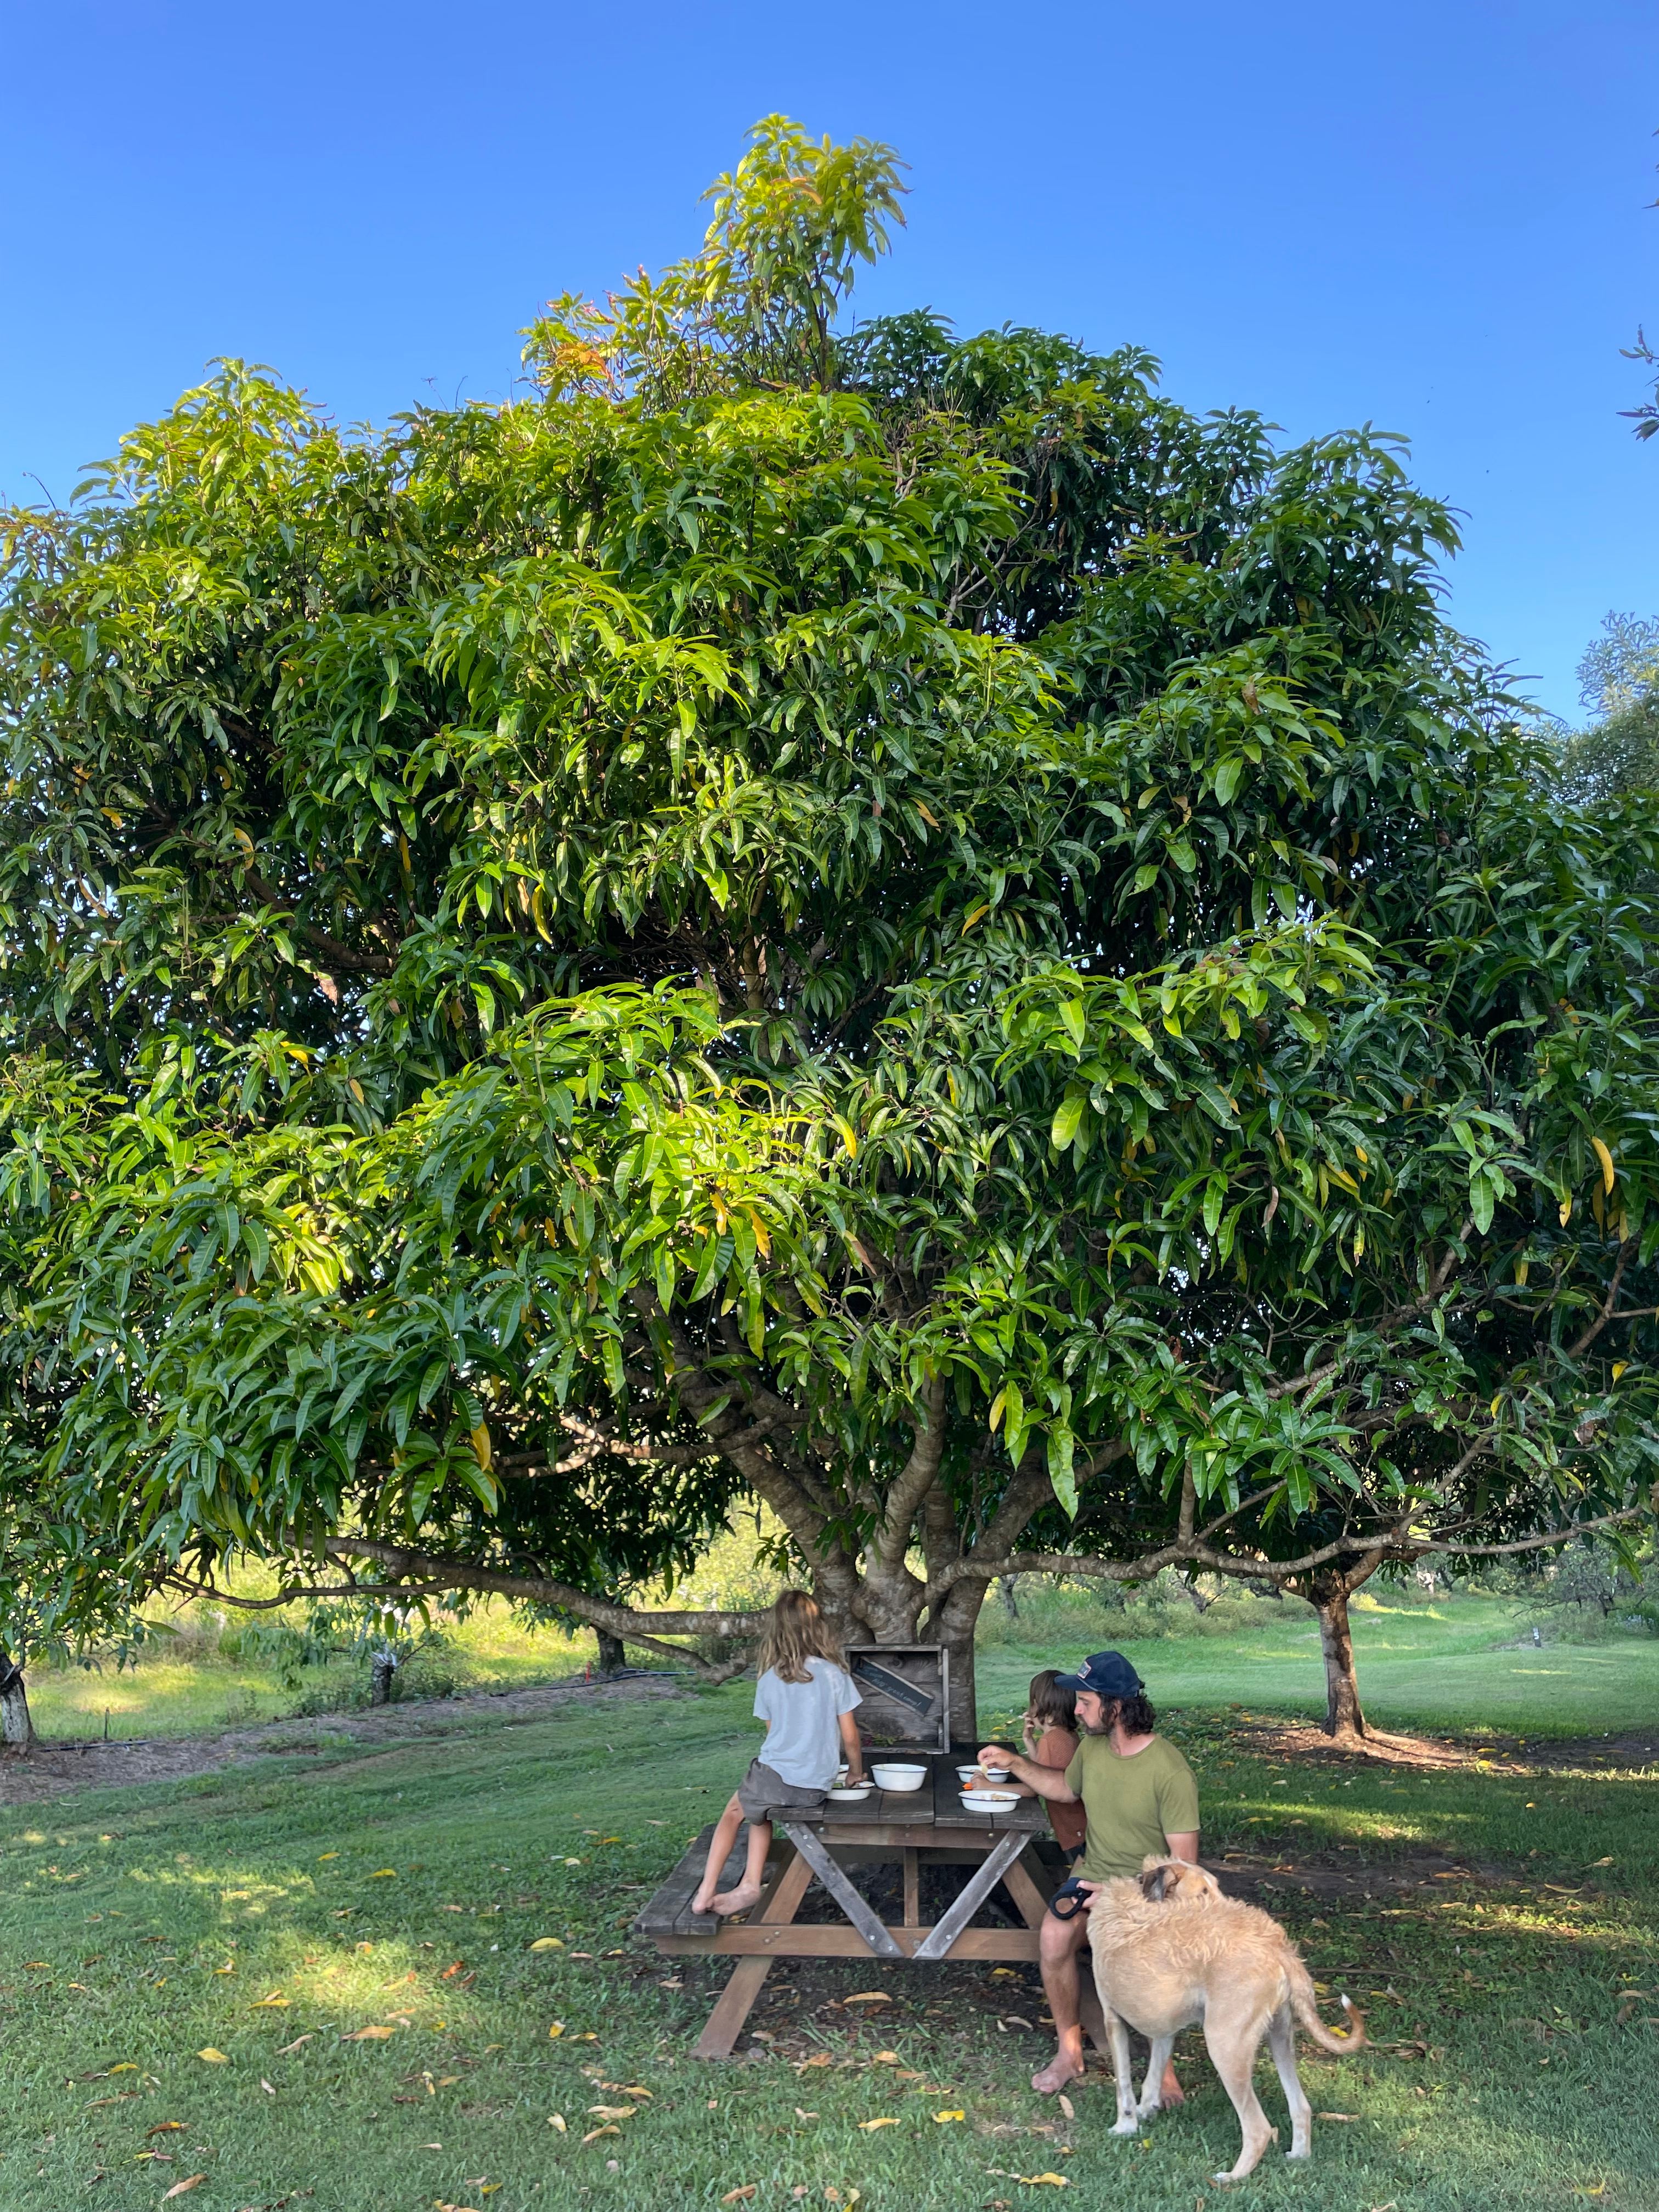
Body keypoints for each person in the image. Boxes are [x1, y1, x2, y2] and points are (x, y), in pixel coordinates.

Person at [979, 1650, 1199, 2098]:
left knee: (1151, 1965)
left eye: (1084, 1702)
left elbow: (1183, 1867)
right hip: (1093, 1872)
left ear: (1115, 1707)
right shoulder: (1094, 1751)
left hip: (1148, 1891)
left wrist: (1126, 1897)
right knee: (1053, 1938)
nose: (1076, 1710)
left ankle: (1165, 2069)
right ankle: (1069, 2051)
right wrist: (1016, 1762)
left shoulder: (1169, 1769)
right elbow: (1064, 1789)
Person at [690, 1590, 865, 1917]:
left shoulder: (770, 1679)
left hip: (778, 1774)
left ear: (777, 1630)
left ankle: (706, 1891)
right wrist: (855, 1772)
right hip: (814, 1786)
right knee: (761, 1808)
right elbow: (851, 1736)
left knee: (734, 1812)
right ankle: (750, 1885)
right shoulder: (833, 1673)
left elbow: (773, 1735)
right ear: (817, 1627)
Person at [1014, 1669, 1086, 1862]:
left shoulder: (1052, 1740)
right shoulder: (1065, 1734)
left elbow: (1033, 1788)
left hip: (1074, 1828)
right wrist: (1029, 1741)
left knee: (1082, 1875)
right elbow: (1043, 1771)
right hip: (1080, 1826)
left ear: (1038, 1705)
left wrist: (990, 1787)